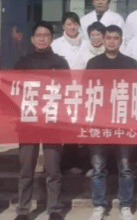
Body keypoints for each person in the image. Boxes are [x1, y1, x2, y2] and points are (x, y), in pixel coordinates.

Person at [13, 21, 70, 220]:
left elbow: (67, 90)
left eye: (46, 35)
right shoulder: (22, 63)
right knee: (26, 170)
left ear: (52, 39)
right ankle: (23, 210)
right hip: (28, 120)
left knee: (53, 169)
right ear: (32, 39)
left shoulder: (60, 63)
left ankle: (55, 209)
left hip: (52, 121)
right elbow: (12, 90)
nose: (42, 39)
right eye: (38, 35)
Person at [86, 25, 137, 220]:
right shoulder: (93, 63)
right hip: (99, 121)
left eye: (116, 38)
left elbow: (136, 92)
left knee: (125, 167)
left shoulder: (130, 63)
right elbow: (86, 90)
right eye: (108, 38)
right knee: (98, 167)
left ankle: (125, 205)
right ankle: (99, 205)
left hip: (123, 121)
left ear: (121, 41)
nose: (111, 41)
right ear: (103, 40)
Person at [53, 12, 92, 175]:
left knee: (83, 126)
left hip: (84, 90)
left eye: (75, 24)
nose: (72, 27)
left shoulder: (87, 43)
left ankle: (85, 163)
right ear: (63, 26)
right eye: (69, 24)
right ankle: (66, 163)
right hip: (63, 91)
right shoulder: (56, 44)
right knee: (67, 126)